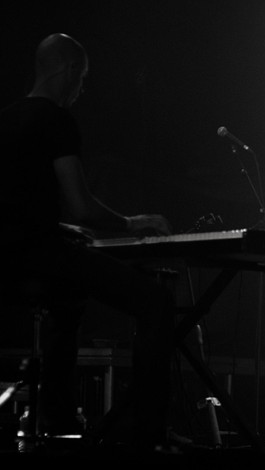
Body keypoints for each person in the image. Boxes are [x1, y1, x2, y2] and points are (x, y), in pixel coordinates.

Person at [0, 33, 176, 452]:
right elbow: (82, 206)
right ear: (68, 71)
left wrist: (58, 228)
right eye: (83, 78)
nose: (82, 89)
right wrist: (133, 223)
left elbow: (12, 208)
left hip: (8, 260)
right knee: (155, 302)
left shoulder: (4, 119)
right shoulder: (56, 120)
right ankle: (145, 435)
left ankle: (57, 419)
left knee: (69, 297)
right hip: (39, 258)